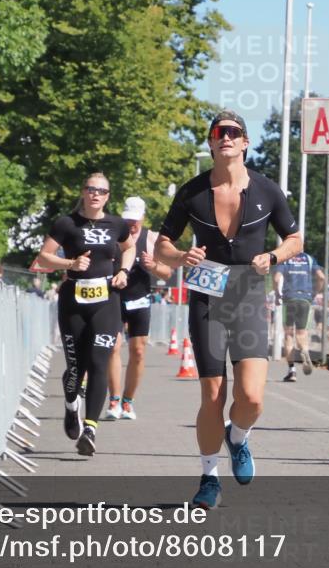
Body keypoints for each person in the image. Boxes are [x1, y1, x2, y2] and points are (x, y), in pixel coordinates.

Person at [156, 110, 302, 509]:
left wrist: (272, 256)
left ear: (245, 142)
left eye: (233, 133)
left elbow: (295, 239)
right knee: (213, 395)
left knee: (252, 397)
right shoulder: (192, 192)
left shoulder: (268, 191)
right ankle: (208, 478)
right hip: (207, 294)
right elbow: (161, 246)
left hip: (250, 293)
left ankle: (237, 438)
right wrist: (181, 255)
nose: (226, 138)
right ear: (210, 142)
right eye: (219, 132)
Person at [37, 173, 134, 456]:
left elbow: (129, 248)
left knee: (99, 362)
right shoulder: (66, 223)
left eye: (102, 191)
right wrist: (71, 262)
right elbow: (44, 257)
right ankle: (71, 406)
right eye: (91, 189)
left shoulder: (116, 224)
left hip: (107, 300)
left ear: (108, 196)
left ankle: (90, 429)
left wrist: (124, 271)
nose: (96, 195)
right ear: (83, 192)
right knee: (76, 367)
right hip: (74, 301)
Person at [104, 196, 173, 421]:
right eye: (127, 219)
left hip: (140, 299)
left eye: (135, 220)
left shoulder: (151, 238)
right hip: (114, 297)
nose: (131, 224)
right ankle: (113, 400)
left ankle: (128, 401)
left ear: (143, 217)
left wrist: (153, 266)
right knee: (113, 347)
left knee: (138, 351)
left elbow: (167, 273)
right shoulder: (114, 235)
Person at [273, 251, 325, 382]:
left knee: (289, 334)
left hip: (289, 298)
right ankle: (305, 350)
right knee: (302, 333)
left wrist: (277, 294)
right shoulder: (309, 259)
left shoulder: (285, 258)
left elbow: (276, 278)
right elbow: (321, 277)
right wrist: (315, 292)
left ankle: (292, 370)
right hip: (305, 298)